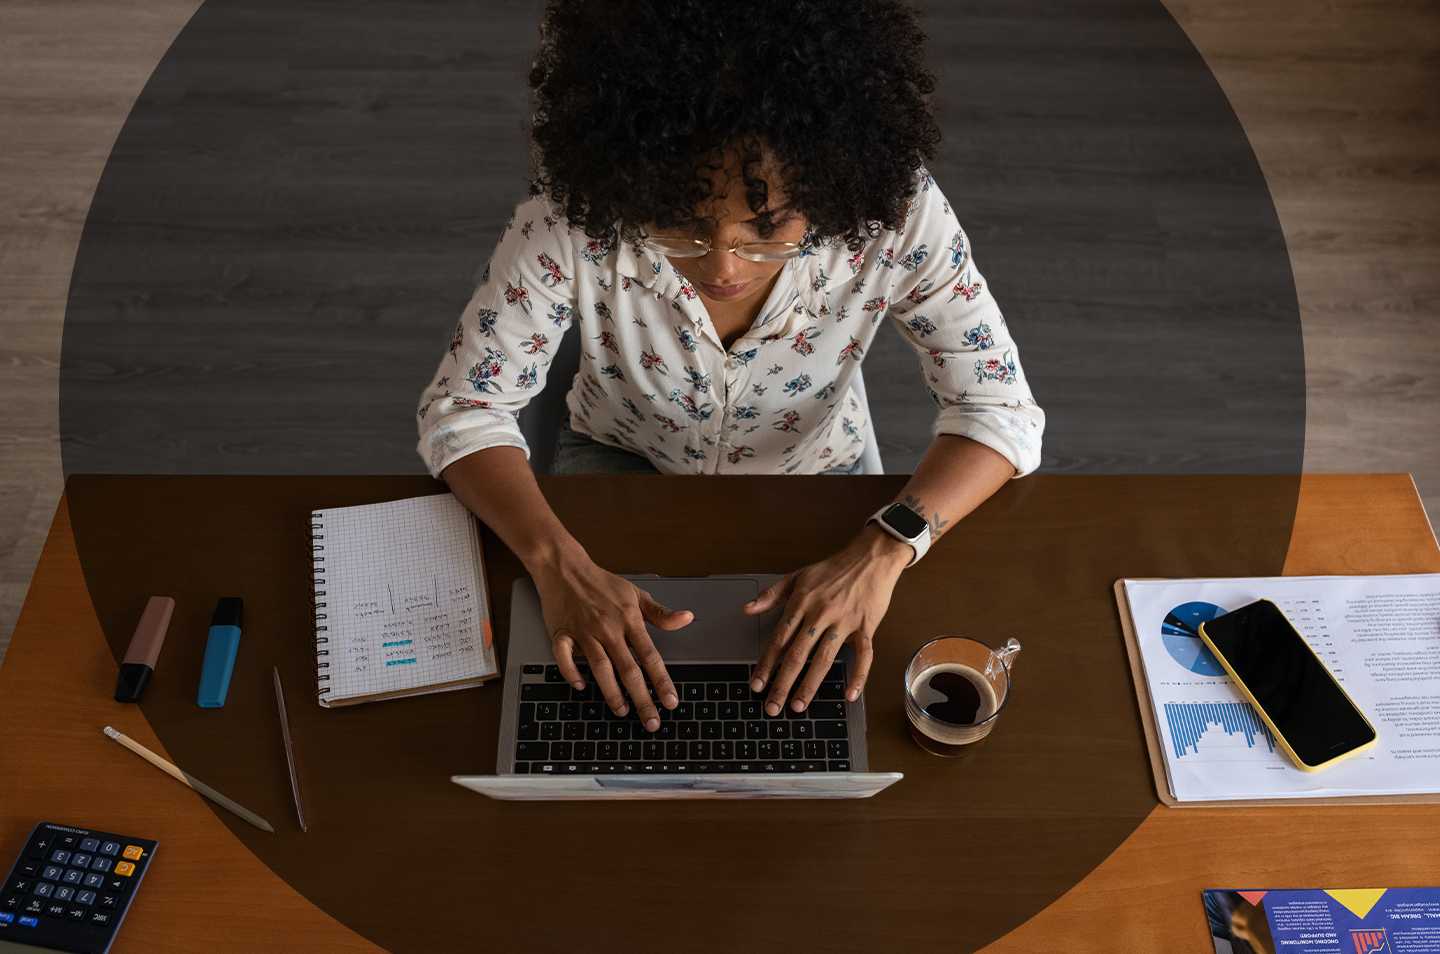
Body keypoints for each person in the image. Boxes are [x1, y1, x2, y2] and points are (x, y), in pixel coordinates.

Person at [416, 0, 1045, 733]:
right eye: (680, 224)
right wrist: (557, 568)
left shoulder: (900, 216)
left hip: (823, 466)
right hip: (620, 454)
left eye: (769, 225)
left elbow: (997, 411)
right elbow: (462, 410)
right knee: (590, 698)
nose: (723, 265)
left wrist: (884, 548)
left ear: (833, 181)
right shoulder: (568, 222)